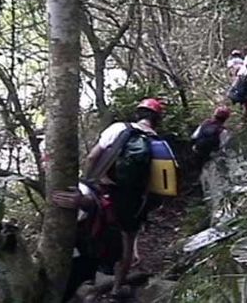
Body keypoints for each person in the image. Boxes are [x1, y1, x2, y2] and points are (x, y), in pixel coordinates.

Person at [51, 98, 164, 302]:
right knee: (128, 243)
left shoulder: (120, 128)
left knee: (87, 225)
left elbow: (93, 156)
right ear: (157, 119)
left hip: (104, 192)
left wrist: (88, 179)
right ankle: (117, 288)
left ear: (138, 113)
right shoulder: (157, 142)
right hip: (134, 200)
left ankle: (78, 281)